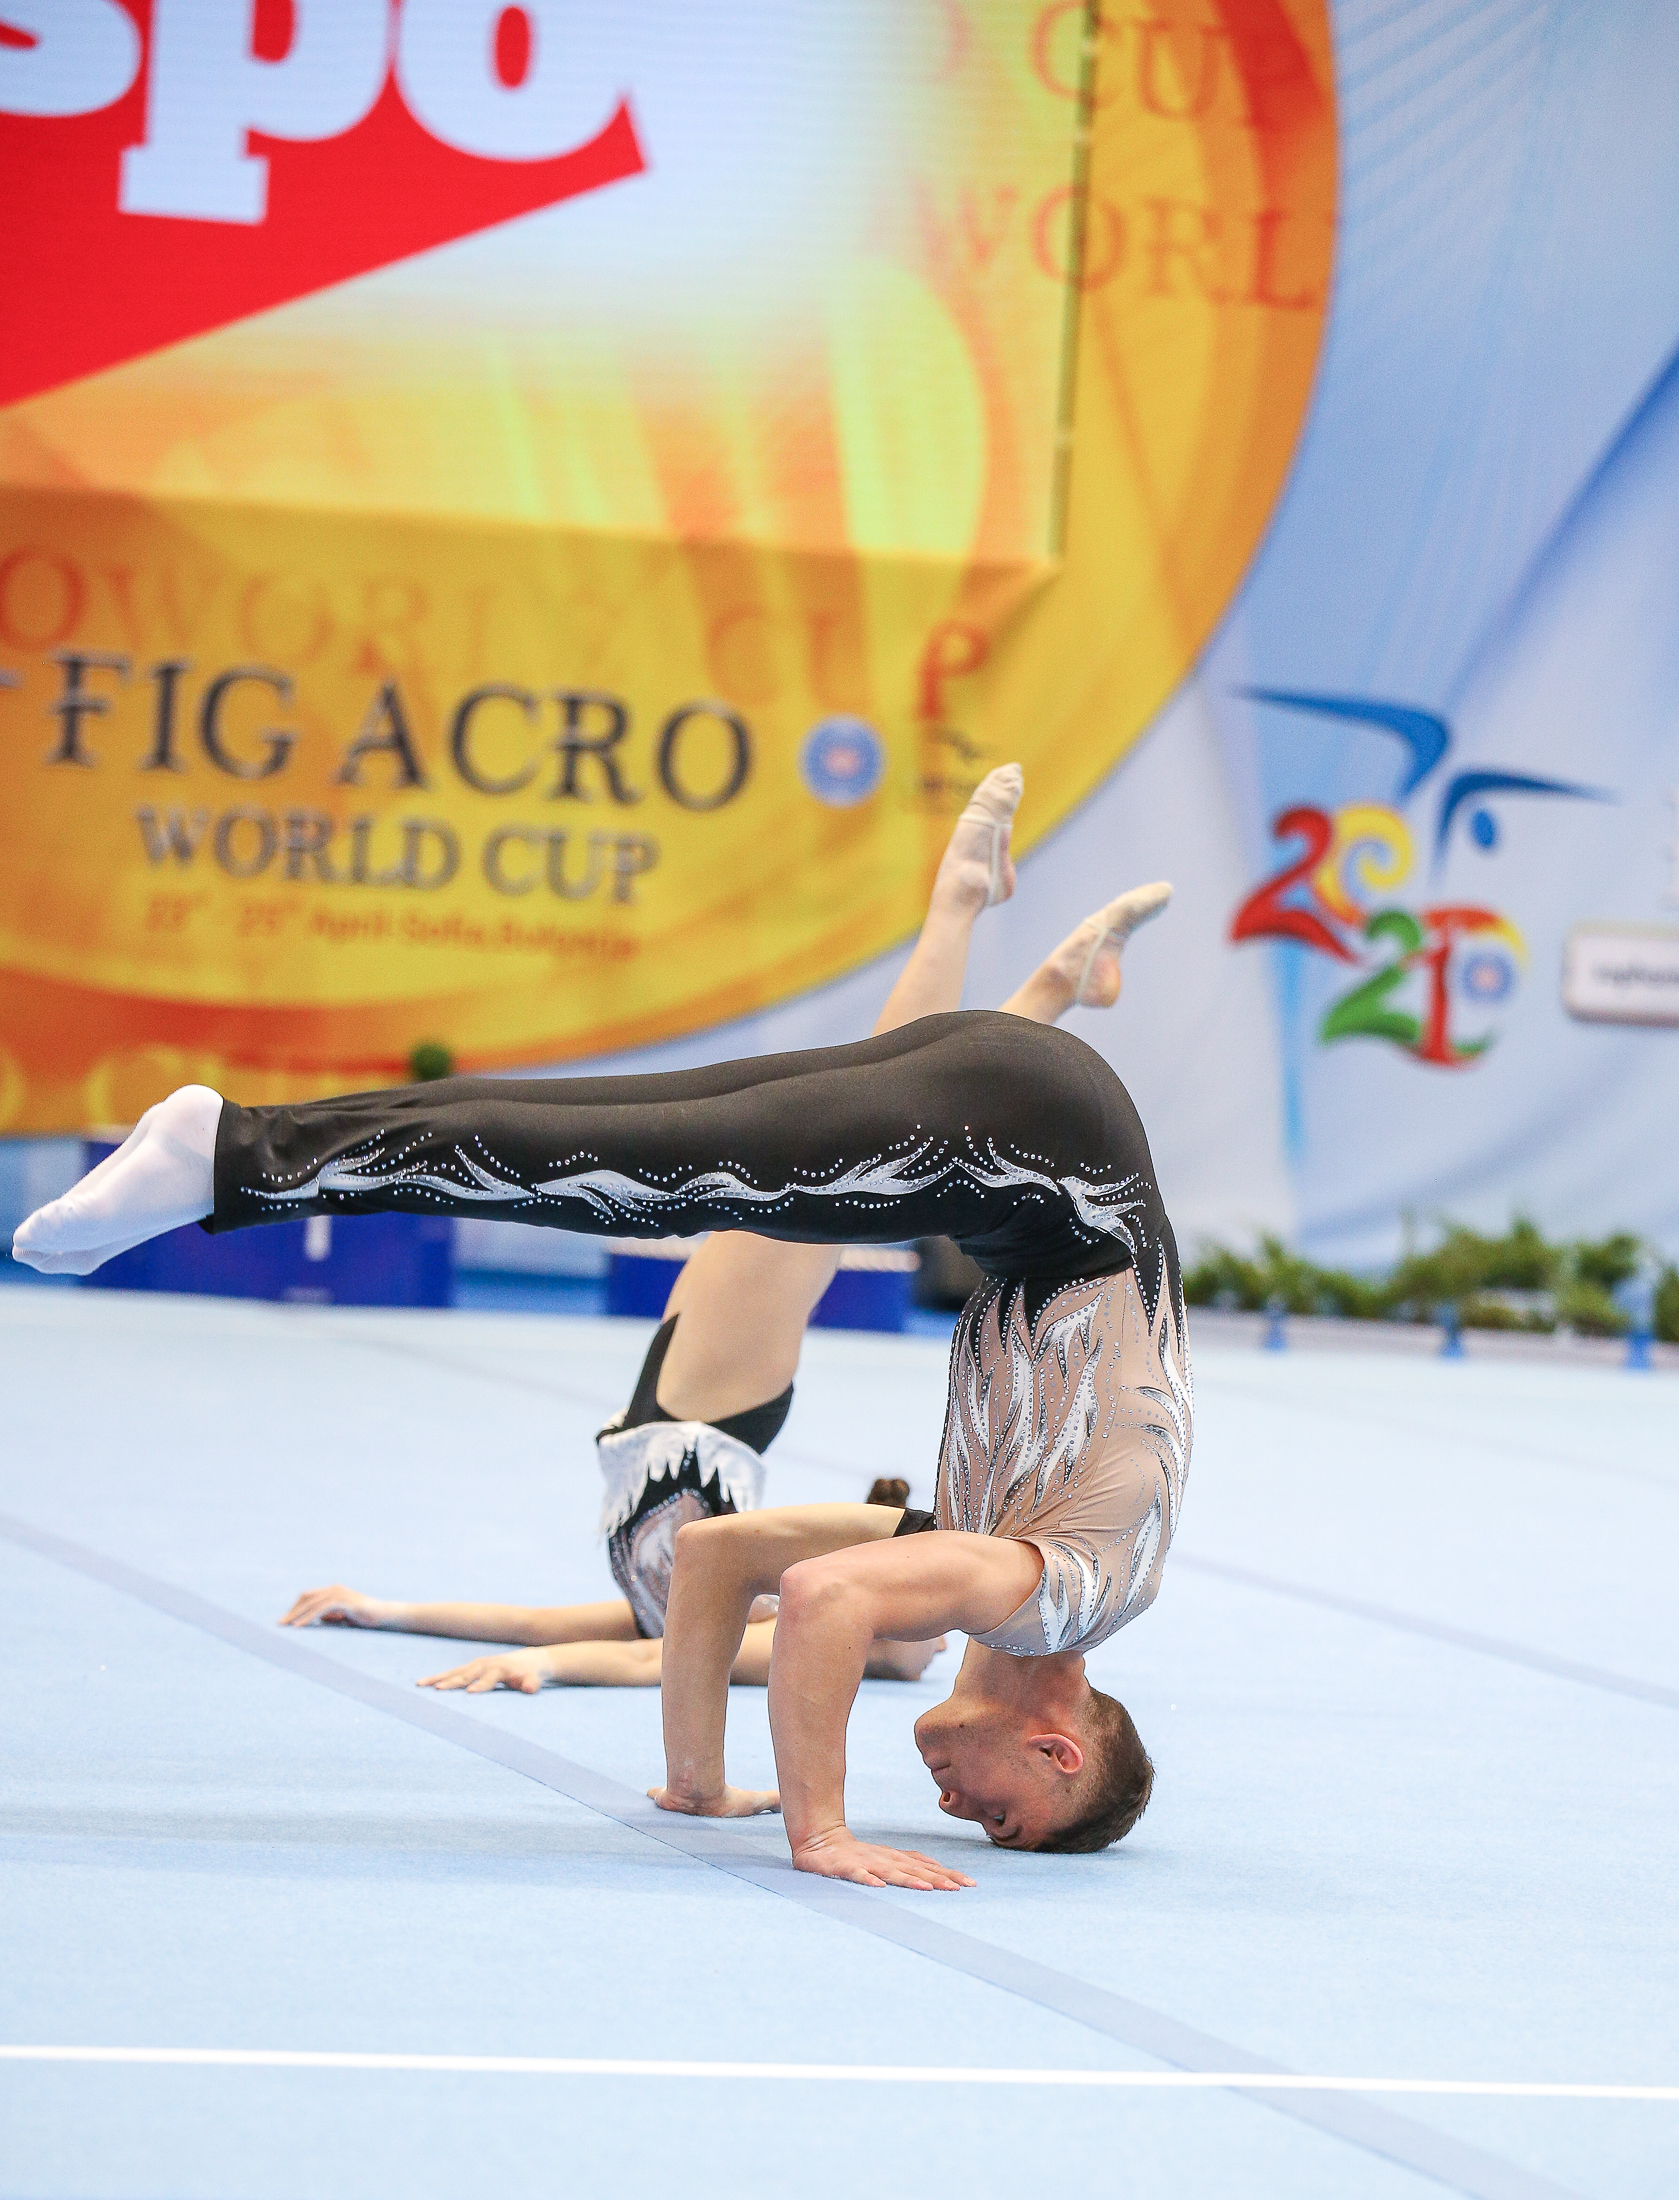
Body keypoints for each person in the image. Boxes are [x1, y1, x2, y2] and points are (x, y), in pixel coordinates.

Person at [13, 771, 1188, 1891]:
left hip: (1042, 1142)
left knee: (638, 1135)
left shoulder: (990, 1551)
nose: (954, 1809)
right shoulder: (1061, 1598)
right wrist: (820, 1831)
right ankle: (234, 1157)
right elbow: (827, 1600)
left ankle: (233, 1147)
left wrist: (697, 1779)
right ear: (1056, 1752)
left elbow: (718, 1561)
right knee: (641, 1169)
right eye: (998, 1814)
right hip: (1045, 1165)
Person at [264, 767, 1171, 1707]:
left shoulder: (709, 1617)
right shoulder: (766, 1625)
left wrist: (384, 1608)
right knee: (886, 1105)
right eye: (932, 1641)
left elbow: (543, 1625)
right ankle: (982, 923)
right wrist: (548, 1670)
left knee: (890, 1108)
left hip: (671, 1399)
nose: (935, 1649)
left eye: (922, 1645)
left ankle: (1034, 968)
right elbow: (641, 1662)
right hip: (709, 1411)